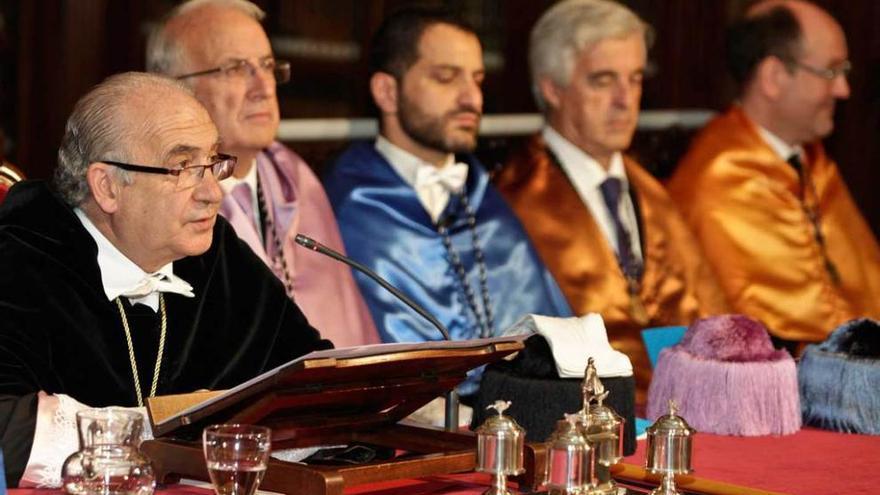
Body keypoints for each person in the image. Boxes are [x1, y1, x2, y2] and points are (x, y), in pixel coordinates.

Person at [0, 73, 332, 487]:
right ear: (107, 187)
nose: (213, 192)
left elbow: (313, 383)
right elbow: (6, 431)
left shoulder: (215, 256)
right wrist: (175, 437)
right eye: (183, 167)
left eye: (212, 163)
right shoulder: (20, 259)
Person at [323, 7, 572, 395]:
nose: (472, 98)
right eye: (446, 77)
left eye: (477, 79)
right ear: (387, 92)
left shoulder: (486, 195)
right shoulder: (346, 204)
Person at [493, 0, 729, 397]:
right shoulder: (511, 202)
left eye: (635, 79)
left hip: (685, 411)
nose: (625, 99)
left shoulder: (654, 194)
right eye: (603, 80)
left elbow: (712, 317)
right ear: (552, 88)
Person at [147, 0, 378, 347]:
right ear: (173, 88)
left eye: (268, 66)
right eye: (237, 69)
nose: (264, 87)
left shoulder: (296, 180)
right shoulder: (156, 200)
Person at [667, 0, 880, 346]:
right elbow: (790, 330)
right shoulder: (723, 177)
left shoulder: (808, 160)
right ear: (774, 77)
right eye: (831, 72)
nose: (844, 89)